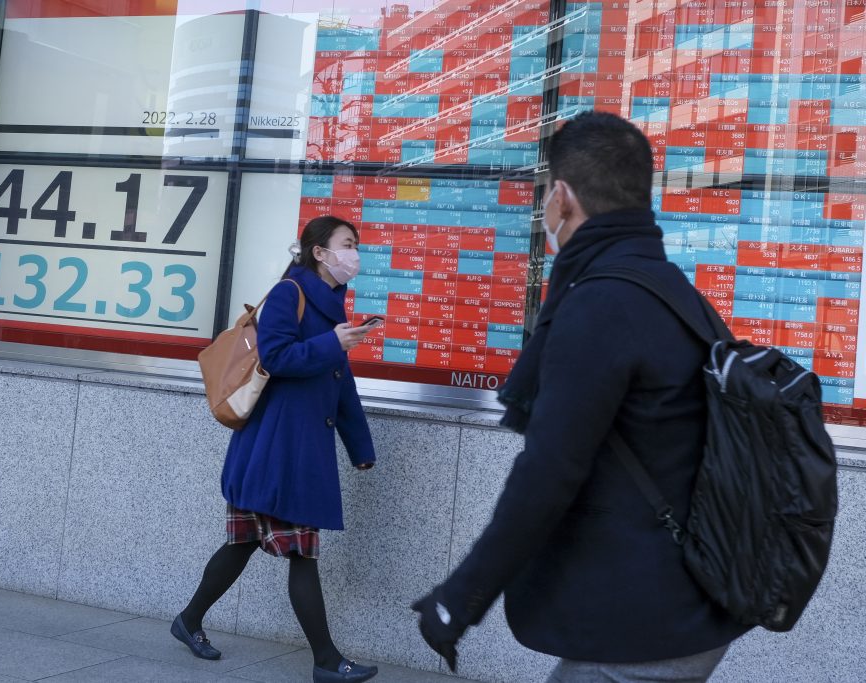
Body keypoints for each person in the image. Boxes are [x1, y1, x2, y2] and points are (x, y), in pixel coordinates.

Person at [412, 111, 751, 682]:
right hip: (689, 603)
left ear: (561, 198)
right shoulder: (673, 293)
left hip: (643, 623)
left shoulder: (601, 305)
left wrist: (460, 599)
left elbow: (549, 470)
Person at [173, 215, 380, 683]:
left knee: (243, 543)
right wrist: (332, 342)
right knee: (301, 552)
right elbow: (277, 357)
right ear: (320, 253)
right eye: (348, 244)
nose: (355, 254)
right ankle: (327, 662)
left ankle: (187, 620)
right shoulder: (291, 294)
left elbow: (339, 383)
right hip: (278, 451)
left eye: (356, 245)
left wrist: (359, 446)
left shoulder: (330, 304)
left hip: (289, 449)